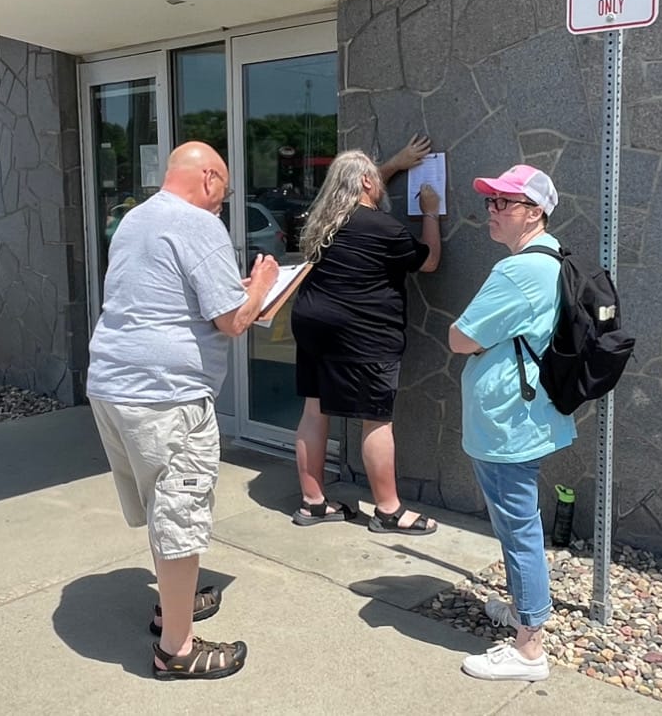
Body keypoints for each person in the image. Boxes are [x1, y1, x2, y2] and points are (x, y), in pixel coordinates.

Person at [86, 141, 279, 682]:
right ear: (211, 180)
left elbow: (172, 296)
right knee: (180, 514)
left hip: (113, 384)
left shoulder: (135, 219)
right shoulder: (199, 223)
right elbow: (233, 321)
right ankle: (177, 649)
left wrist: (233, 294)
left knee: (162, 506)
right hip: (166, 394)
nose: (224, 205)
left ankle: (175, 605)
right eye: (226, 194)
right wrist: (262, 284)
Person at [447, 164, 576, 682]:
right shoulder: (554, 258)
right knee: (515, 522)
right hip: (528, 416)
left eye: (507, 203)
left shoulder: (518, 271)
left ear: (535, 212)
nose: (493, 212)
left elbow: (461, 337)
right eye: (491, 202)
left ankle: (529, 648)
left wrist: (466, 333)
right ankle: (527, 610)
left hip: (508, 423)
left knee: (519, 527)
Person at [289, 137, 443, 534]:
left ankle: (313, 503)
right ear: (367, 184)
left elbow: (360, 188)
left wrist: (395, 163)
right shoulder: (384, 228)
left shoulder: (322, 221)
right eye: (374, 177)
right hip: (362, 332)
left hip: (311, 324)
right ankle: (389, 511)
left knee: (314, 409)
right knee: (376, 419)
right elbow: (429, 261)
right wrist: (431, 214)